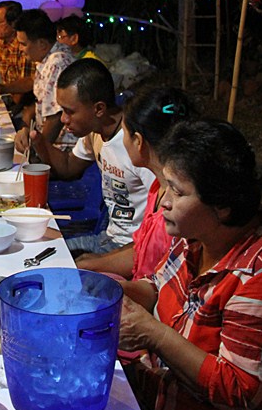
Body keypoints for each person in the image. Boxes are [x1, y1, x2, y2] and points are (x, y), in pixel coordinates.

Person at [105, 119, 262, 410]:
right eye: (165, 186)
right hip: (163, 400)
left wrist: (154, 334)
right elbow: (157, 285)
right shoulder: (198, 237)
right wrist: (114, 291)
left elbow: (241, 393)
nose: (163, 202)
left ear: (223, 207)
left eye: (177, 192)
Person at [19, 58, 155, 255]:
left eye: (69, 111)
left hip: (132, 249)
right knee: (31, 250)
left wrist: (100, 262)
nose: (63, 119)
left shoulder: (137, 144)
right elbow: (68, 167)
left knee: (53, 260)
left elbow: (158, 233)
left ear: (99, 109)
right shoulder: (95, 133)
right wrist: (37, 140)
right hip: (107, 238)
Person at [76, 87, 197, 279]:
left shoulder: (175, 209)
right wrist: (94, 262)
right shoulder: (157, 188)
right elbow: (140, 249)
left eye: (124, 133)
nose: (122, 141)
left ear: (138, 141)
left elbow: (157, 276)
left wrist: (96, 266)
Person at [13, 9, 76, 146]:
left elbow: (55, 117)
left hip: (63, 146)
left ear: (42, 44)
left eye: (23, 44)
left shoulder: (57, 63)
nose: (20, 49)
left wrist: (39, 151)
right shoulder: (47, 59)